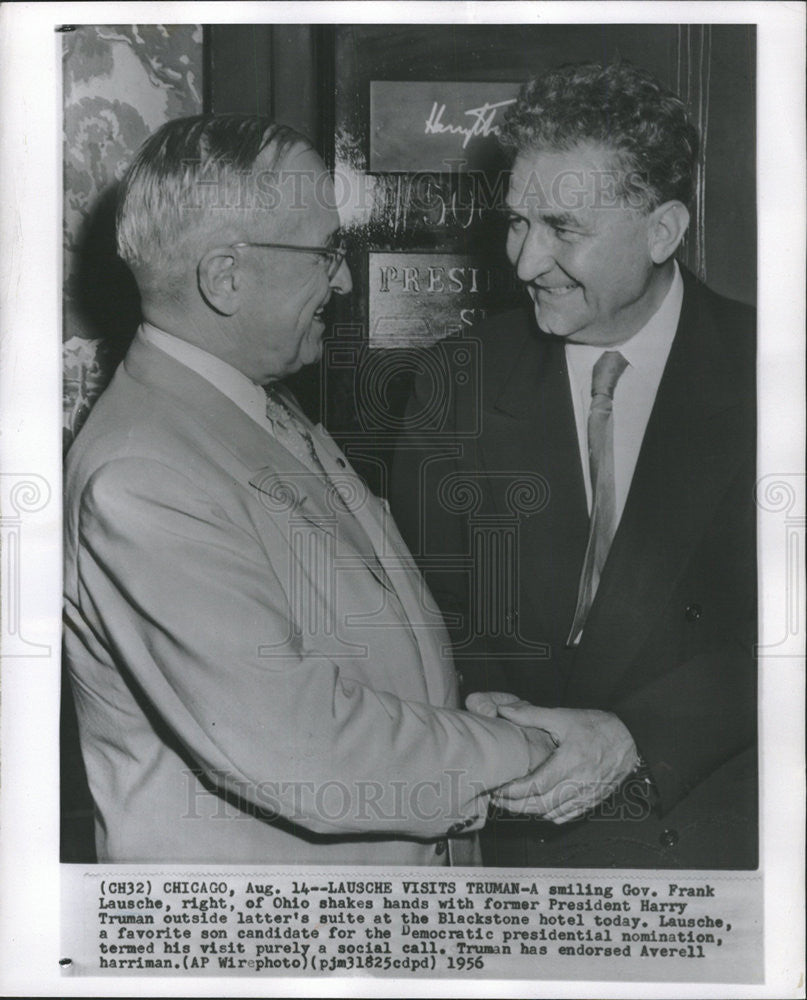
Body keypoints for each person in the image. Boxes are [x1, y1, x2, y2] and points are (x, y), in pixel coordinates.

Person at [62, 114, 556, 865]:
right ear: (224, 278)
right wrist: (526, 749)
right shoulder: (143, 477)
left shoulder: (249, 404)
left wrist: (451, 707)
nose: (345, 278)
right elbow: (303, 749)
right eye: (326, 252)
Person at [391, 62, 757, 868]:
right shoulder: (455, 380)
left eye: (562, 228)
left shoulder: (775, 375)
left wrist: (635, 737)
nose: (523, 264)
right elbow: (428, 611)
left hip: (716, 836)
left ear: (661, 231)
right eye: (517, 222)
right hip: (516, 838)